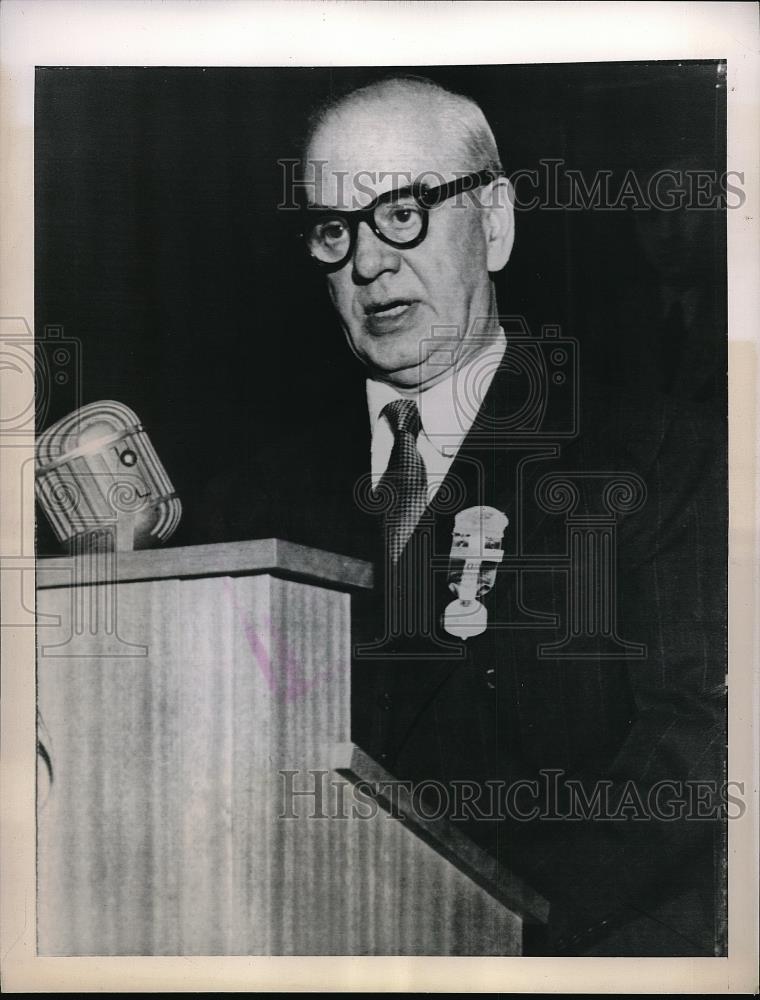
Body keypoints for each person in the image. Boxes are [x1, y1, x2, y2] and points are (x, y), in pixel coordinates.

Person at [199, 76, 727, 956]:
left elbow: (689, 755)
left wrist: (477, 928)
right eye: (336, 229)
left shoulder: (662, 456)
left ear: (496, 222)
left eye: (402, 211)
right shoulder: (249, 504)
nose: (369, 263)